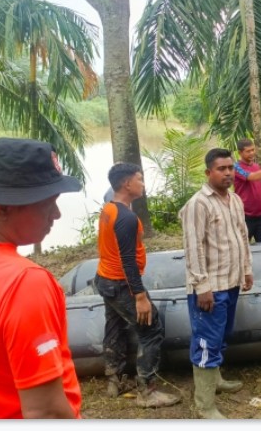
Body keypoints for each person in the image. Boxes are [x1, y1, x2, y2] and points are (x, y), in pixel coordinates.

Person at [0, 137, 83, 419]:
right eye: (49, 204)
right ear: (4, 209)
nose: (56, 215)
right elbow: (46, 412)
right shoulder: (24, 283)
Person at [94, 163, 180, 408]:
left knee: (114, 326)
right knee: (151, 330)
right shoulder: (126, 218)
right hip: (121, 283)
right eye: (139, 179)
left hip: (105, 279)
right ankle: (147, 391)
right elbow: (128, 261)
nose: (143, 184)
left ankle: (116, 381)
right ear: (126, 184)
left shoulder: (109, 209)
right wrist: (140, 296)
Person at [180, 148, 254, 419]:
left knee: (222, 336)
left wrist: (246, 269)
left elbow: (242, 237)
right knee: (206, 341)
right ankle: (205, 406)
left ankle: (217, 380)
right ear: (208, 172)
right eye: (221, 169)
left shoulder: (234, 199)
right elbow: (193, 247)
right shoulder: (198, 204)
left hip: (231, 281)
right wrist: (202, 286)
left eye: (230, 168)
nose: (227, 173)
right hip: (210, 288)